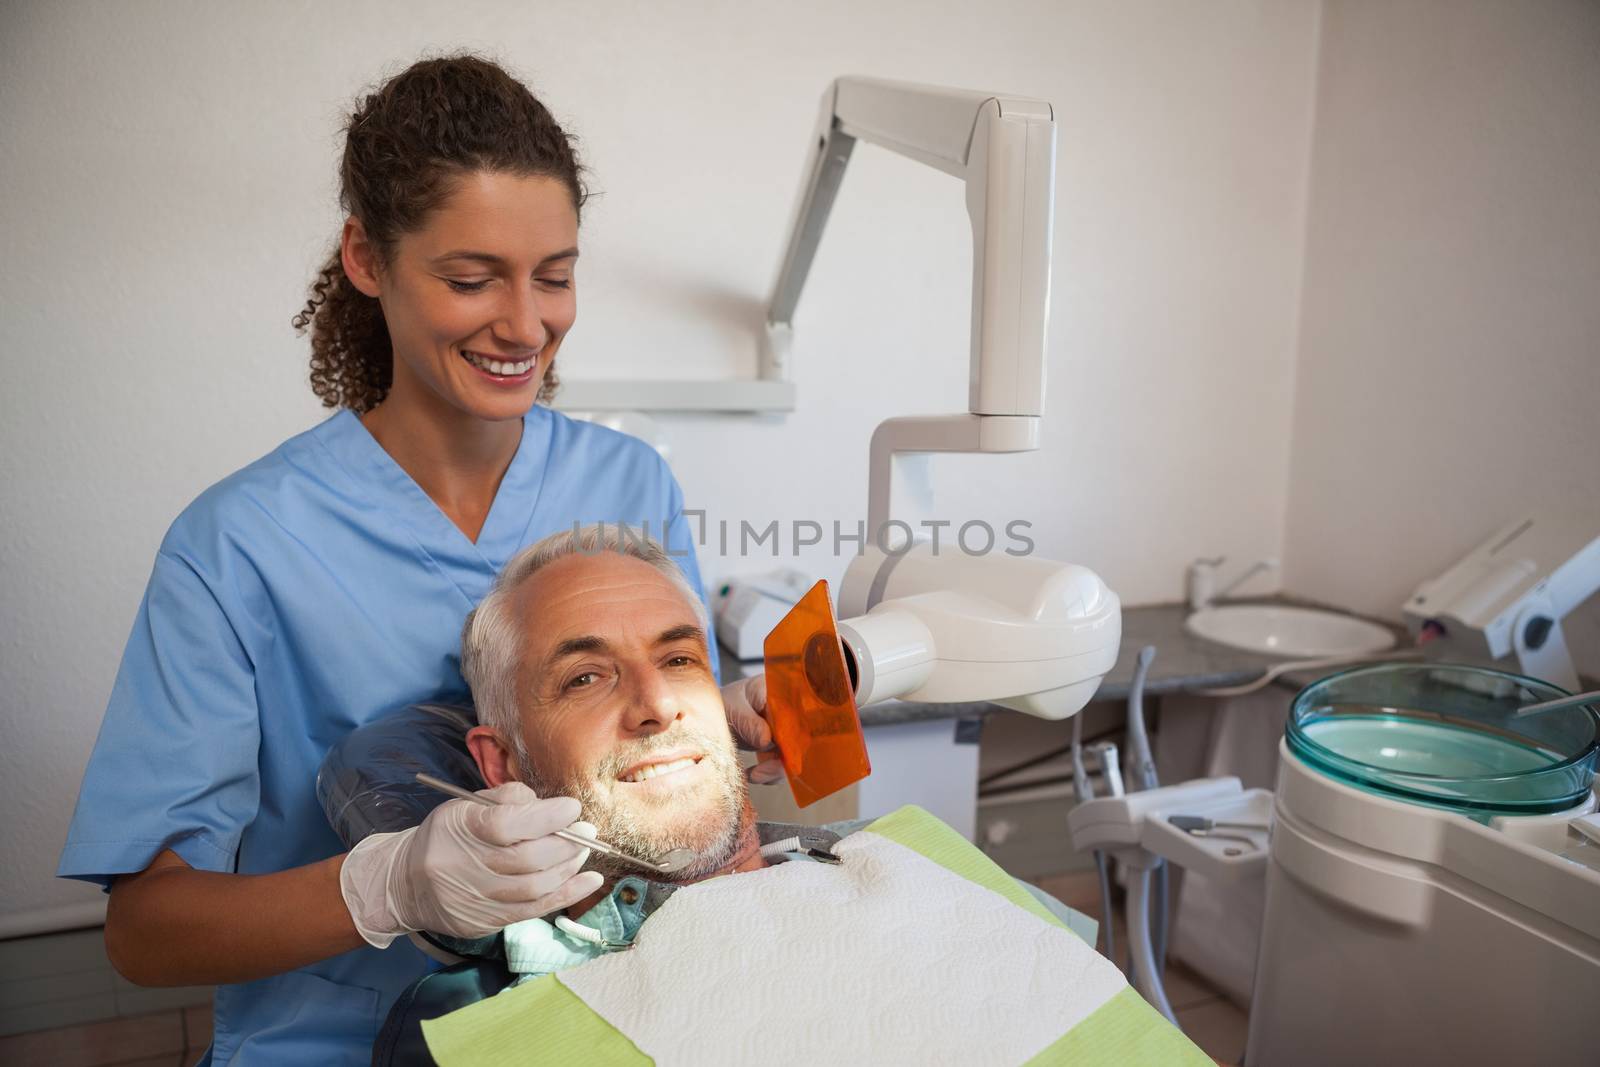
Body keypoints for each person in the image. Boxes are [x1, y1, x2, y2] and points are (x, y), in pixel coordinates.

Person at [57, 54, 776, 1066]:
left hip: (617, 1007)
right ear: (366, 258)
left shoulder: (629, 482)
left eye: (556, 276)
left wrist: (713, 719)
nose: (527, 324)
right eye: (471, 277)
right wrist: (387, 887)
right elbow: (145, 931)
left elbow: (640, 731)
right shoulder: (240, 545)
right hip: (333, 1039)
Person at [375, 525, 1205, 1067]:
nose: (658, 704)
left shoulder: (916, 856)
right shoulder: (471, 1026)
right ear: (500, 761)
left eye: (679, 660)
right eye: (586, 675)